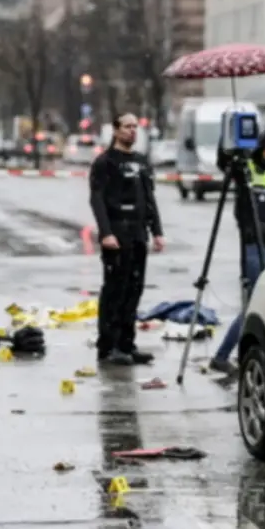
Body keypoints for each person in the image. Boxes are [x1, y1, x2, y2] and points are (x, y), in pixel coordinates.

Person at [209, 129, 265, 373]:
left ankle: (259, 356)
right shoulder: (248, 170)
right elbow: (224, 160)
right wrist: (228, 130)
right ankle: (222, 356)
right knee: (255, 304)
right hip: (254, 246)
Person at [89, 113, 165, 366]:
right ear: (116, 130)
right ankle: (108, 346)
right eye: (127, 127)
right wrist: (106, 233)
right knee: (115, 292)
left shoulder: (142, 162)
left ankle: (126, 344)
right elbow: (97, 199)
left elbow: (149, 198)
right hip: (116, 234)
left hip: (137, 234)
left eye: (135, 127)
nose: (132, 131)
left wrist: (157, 231)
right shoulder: (105, 162)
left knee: (134, 290)